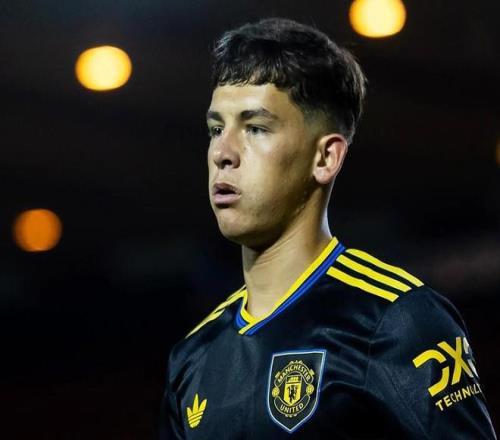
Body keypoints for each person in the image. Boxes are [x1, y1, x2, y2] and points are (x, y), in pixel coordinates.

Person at [159, 17, 497, 439]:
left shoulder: (397, 320)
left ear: (325, 158)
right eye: (215, 129)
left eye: (256, 128)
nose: (222, 152)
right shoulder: (192, 357)